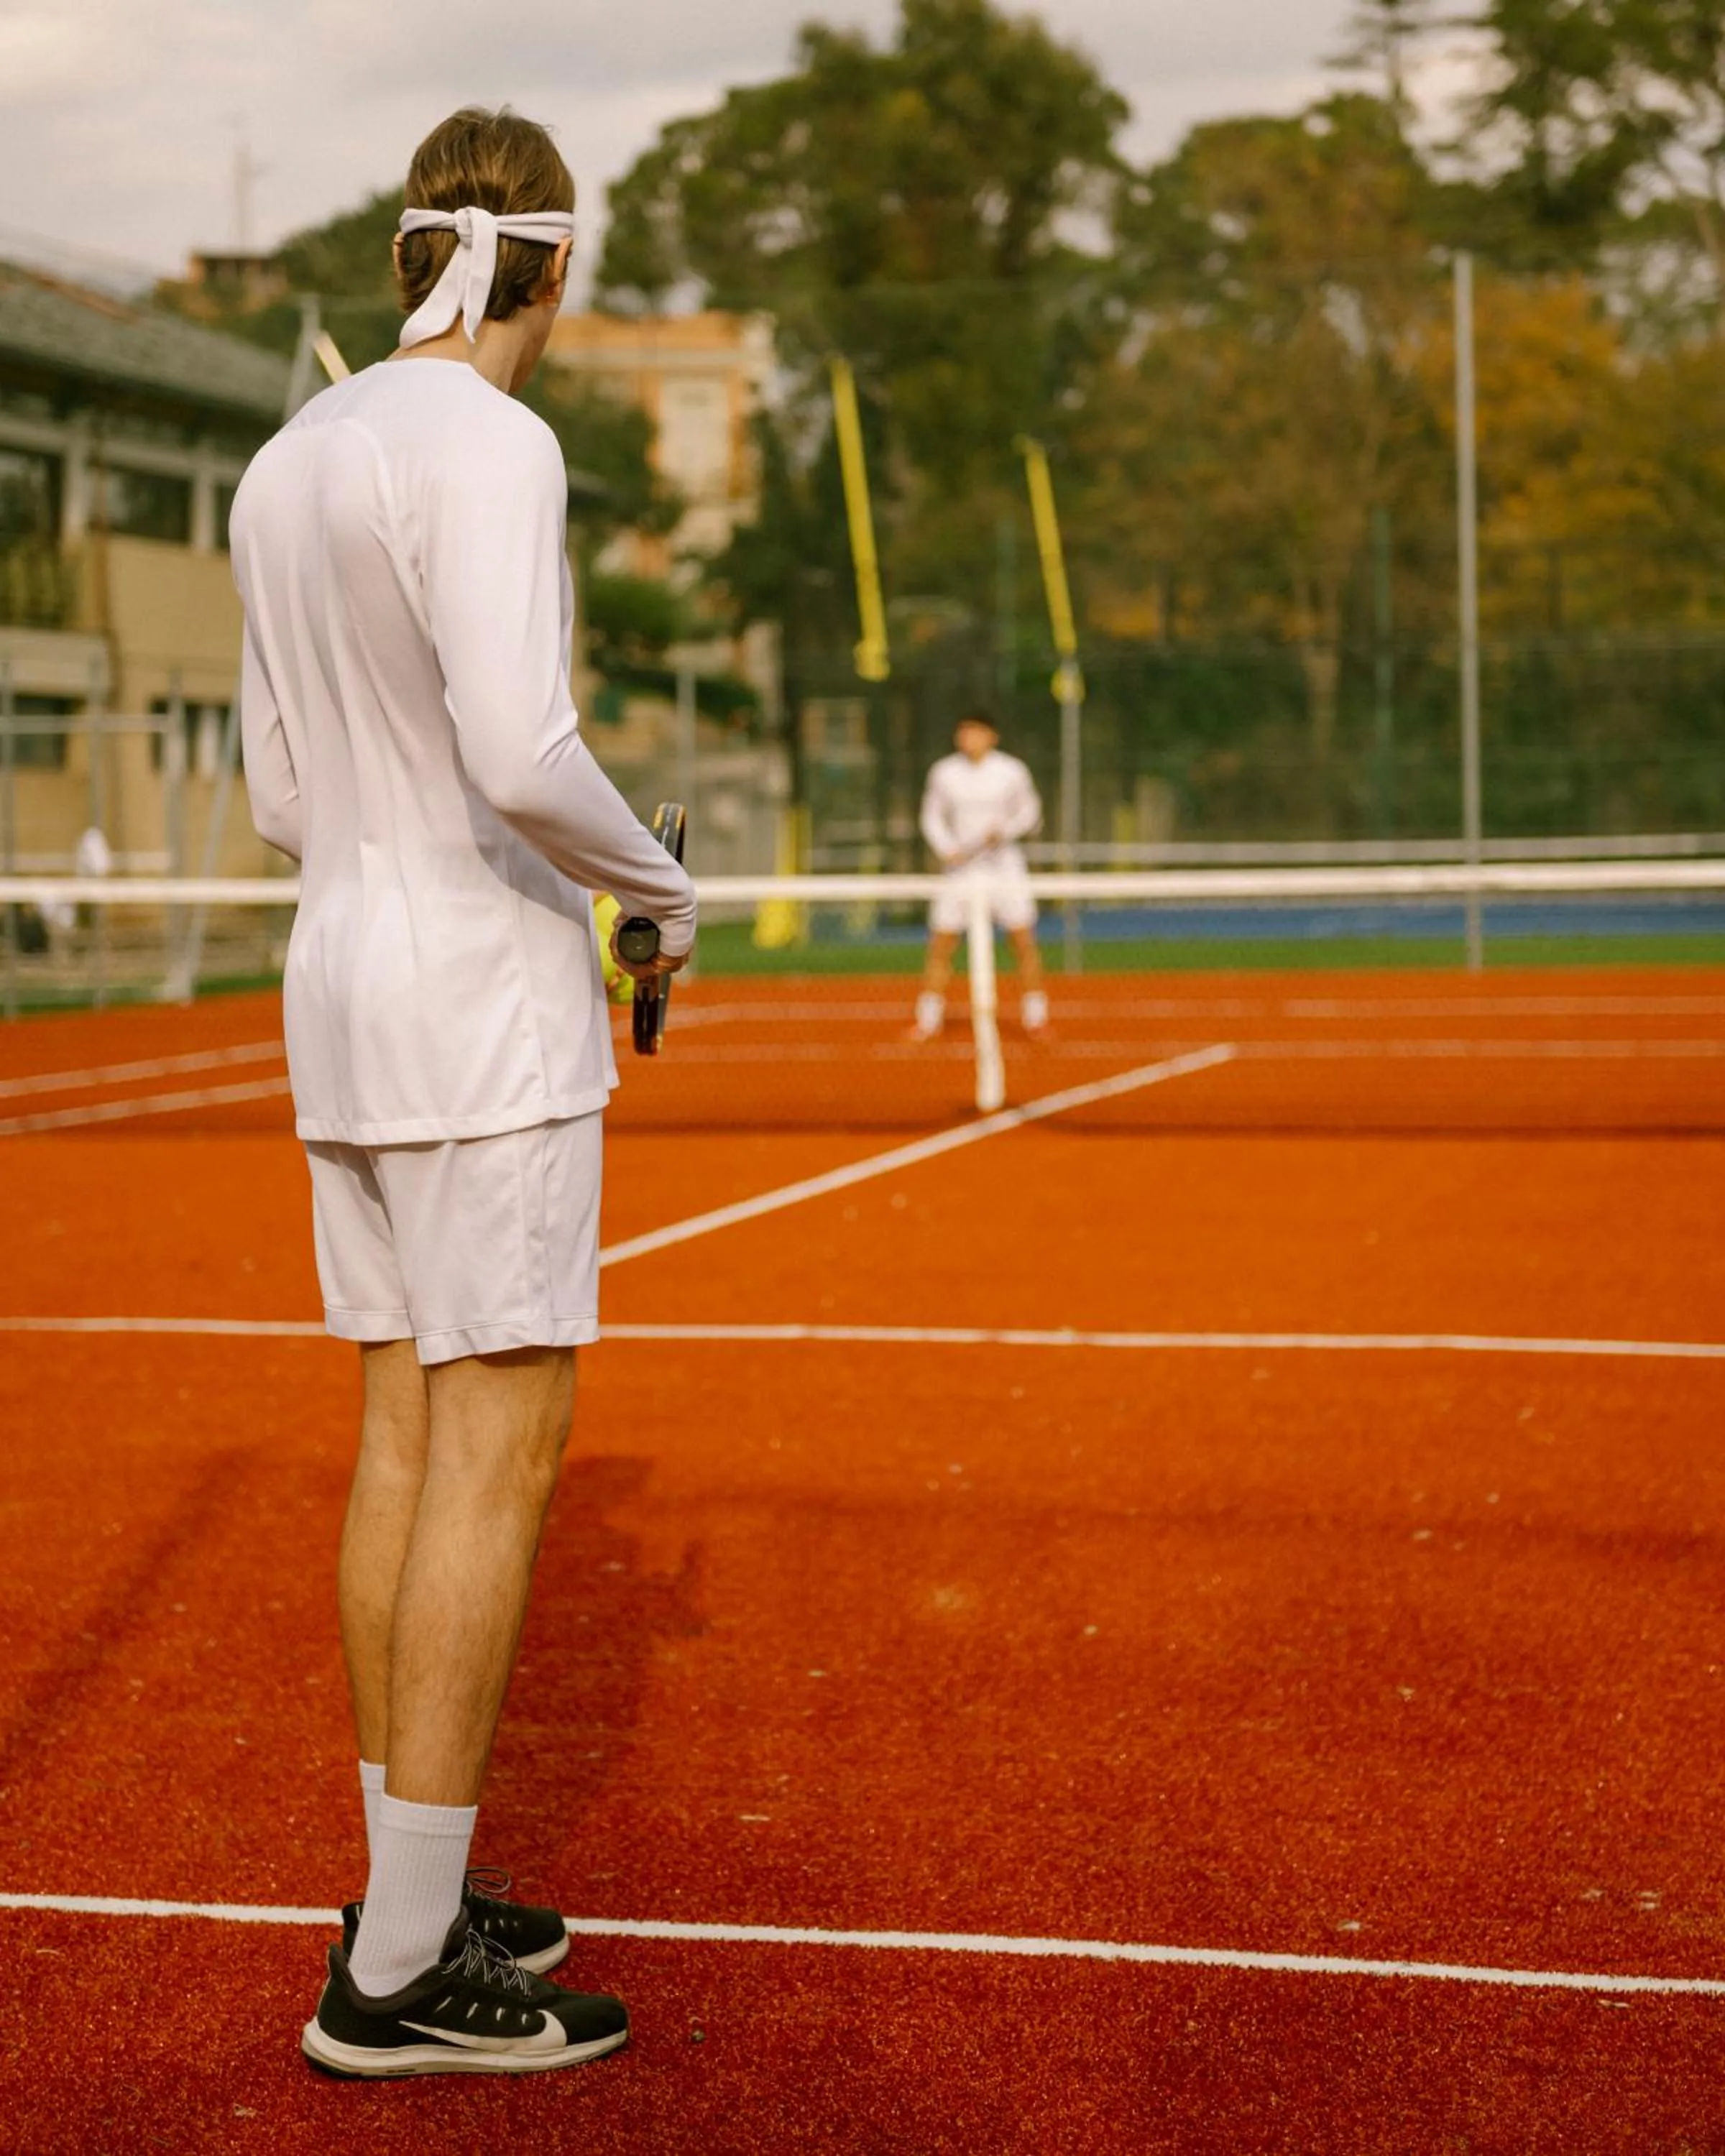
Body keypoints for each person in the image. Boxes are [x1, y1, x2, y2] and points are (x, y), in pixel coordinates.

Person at [229, 107, 696, 2079]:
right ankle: (403, 1977)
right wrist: (659, 890)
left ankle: (404, 1892)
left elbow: (273, 795)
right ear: (553, 272)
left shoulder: (289, 454)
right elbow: (522, 745)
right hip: (479, 1006)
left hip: (339, 988)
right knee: (495, 1448)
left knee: (404, 1439)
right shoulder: (496, 443)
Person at [911, 713, 1049, 1040]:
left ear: (992, 736)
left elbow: (1029, 813)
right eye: (964, 731)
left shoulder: (1012, 771)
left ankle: (1036, 1016)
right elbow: (931, 816)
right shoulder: (944, 772)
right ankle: (928, 1019)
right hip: (959, 872)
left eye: (976, 731)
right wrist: (947, 848)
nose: (969, 738)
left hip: (1005, 870)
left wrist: (1003, 832)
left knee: (1022, 940)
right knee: (942, 944)